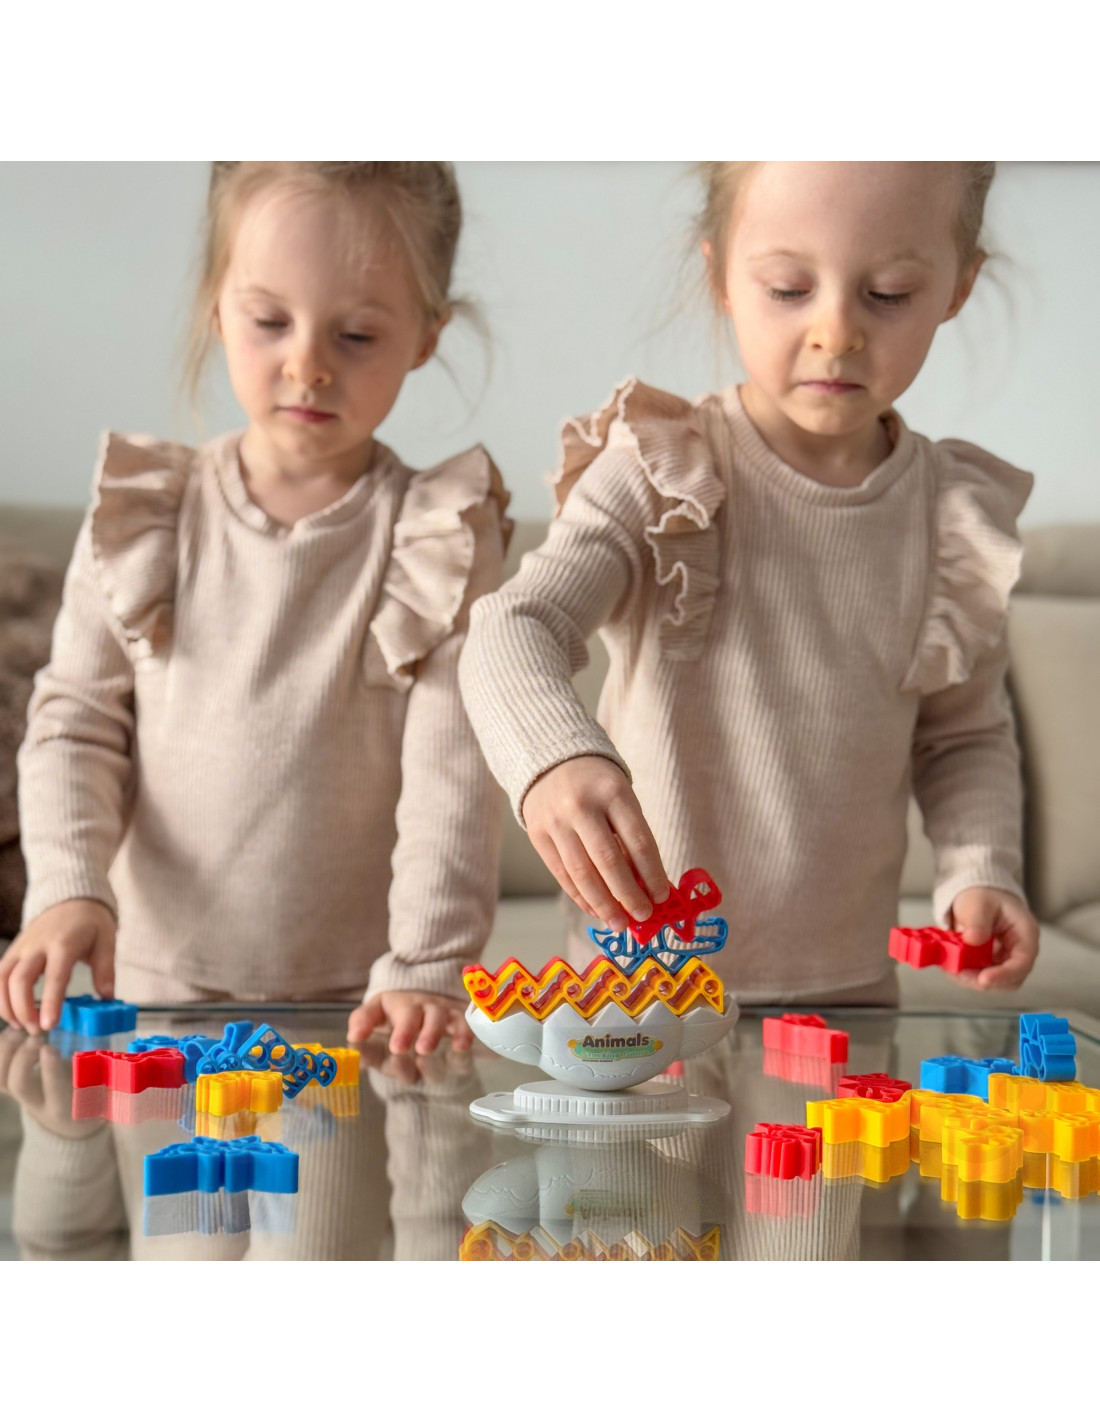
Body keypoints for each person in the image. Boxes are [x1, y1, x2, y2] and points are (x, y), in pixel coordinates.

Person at [459, 162, 1039, 1005]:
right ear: (722, 277)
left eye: (888, 294)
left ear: (958, 288)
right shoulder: (662, 470)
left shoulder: (952, 520)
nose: (836, 332)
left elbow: (964, 738)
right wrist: (553, 758)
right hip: (637, 992)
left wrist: (981, 869)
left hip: (848, 991)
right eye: (789, 289)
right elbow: (514, 623)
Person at [0, 162, 510, 1052]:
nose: (307, 364)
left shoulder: (439, 534)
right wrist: (69, 885)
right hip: (152, 996)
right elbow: (76, 722)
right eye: (270, 322)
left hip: (360, 1011)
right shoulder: (143, 512)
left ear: (426, 337)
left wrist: (429, 964)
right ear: (216, 307)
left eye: (356, 334)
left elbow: (453, 773)